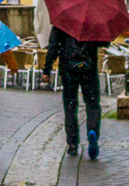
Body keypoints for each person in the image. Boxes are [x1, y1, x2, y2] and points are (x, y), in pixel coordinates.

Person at [45, 24, 108, 159]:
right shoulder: (93, 21)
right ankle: (93, 131)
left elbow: (53, 46)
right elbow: (105, 42)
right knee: (92, 104)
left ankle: (72, 144)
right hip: (88, 68)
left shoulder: (61, 22)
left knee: (70, 107)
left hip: (69, 68)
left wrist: (47, 69)